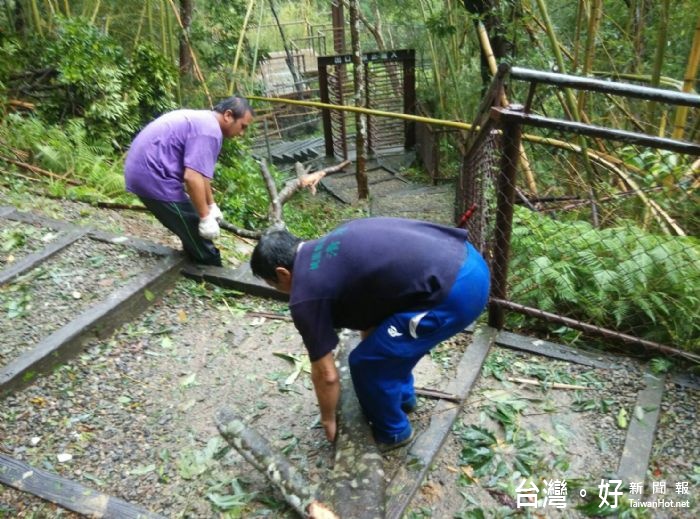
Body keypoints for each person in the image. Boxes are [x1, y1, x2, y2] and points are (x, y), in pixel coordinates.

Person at [250, 217, 490, 450]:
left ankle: (393, 432)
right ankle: (404, 399)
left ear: (283, 273)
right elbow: (374, 307)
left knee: (367, 363)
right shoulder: (334, 241)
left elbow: (326, 375)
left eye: (276, 286)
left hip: (457, 291)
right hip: (466, 258)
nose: (284, 293)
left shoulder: (305, 296)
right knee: (386, 348)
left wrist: (328, 419)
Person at [124, 96, 254, 266]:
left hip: (144, 170)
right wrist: (205, 217)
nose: (241, 133)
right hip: (152, 176)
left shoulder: (206, 122)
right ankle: (210, 269)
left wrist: (211, 205)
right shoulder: (210, 130)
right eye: (242, 126)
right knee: (195, 228)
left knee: (190, 220)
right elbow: (192, 178)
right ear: (228, 115)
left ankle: (194, 256)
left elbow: (201, 174)